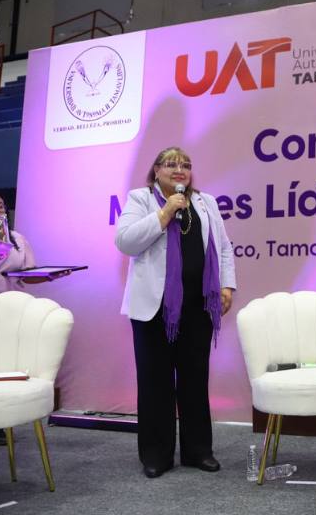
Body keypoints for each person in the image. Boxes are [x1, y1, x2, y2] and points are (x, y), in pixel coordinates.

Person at [115, 147, 236, 479]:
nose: (179, 170)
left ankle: (199, 451)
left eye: (185, 165)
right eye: (171, 164)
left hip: (198, 306)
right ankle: (156, 455)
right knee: (155, 383)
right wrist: (165, 211)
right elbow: (125, 242)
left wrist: (226, 286)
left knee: (195, 381)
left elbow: (223, 247)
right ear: (156, 171)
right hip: (154, 309)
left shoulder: (205, 202)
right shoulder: (140, 199)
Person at [0, 189, 59, 446]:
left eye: (0, 206)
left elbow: (27, 274)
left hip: (7, 310)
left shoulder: (16, 238)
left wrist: (51, 274)